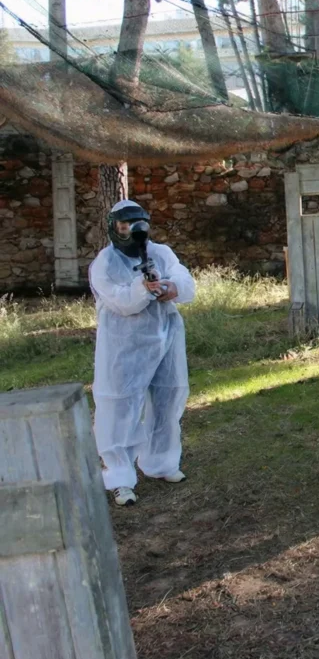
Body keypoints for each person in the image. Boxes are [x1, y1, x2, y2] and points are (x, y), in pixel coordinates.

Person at [89, 200, 196, 507]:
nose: (134, 232)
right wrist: (143, 288)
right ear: (114, 227)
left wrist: (170, 288)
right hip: (124, 346)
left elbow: (185, 282)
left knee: (168, 397)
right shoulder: (104, 263)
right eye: (125, 226)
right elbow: (123, 302)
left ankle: (161, 463)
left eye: (139, 225)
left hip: (165, 338)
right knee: (119, 406)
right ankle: (120, 478)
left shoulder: (161, 253)